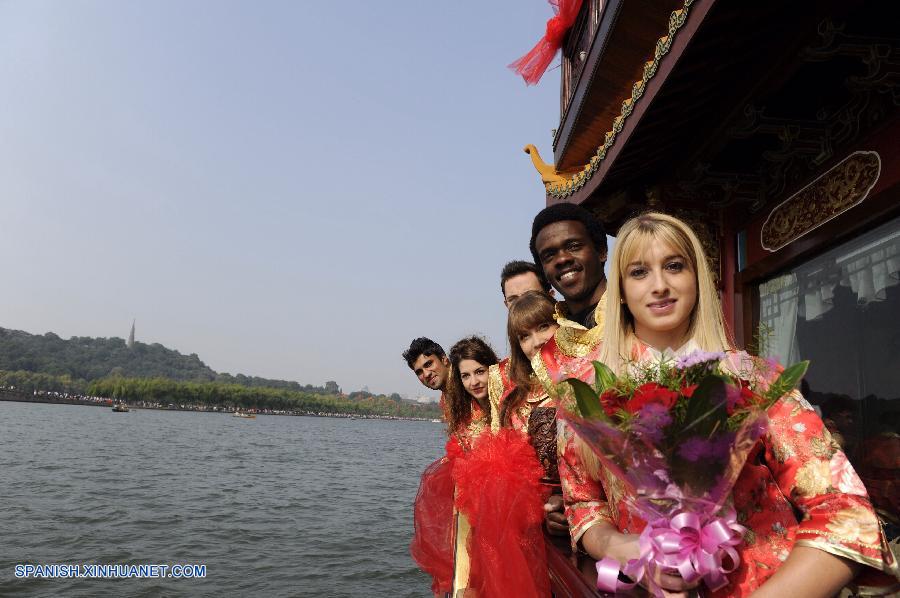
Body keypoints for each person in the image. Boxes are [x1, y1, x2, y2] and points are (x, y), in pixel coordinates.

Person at [558, 211, 899, 596]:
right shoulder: (587, 391)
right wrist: (631, 550)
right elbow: (584, 503)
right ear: (618, 288)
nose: (660, 286)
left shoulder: (752, 380)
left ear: (698, 278)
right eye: (639, 272)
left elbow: (846, 513)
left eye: (674, 266)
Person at [403, 337, 452, 420]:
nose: (426, 374)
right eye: (419, 372)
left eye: (429, 364)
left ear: (444, 360)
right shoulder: (444, 400)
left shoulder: (469, 384)